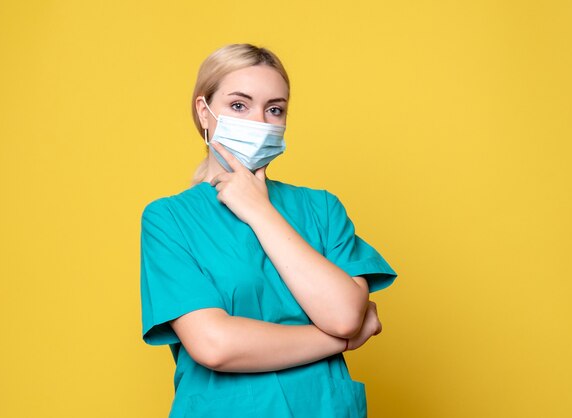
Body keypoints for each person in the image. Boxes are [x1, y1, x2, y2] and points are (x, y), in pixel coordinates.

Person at [140, 43, 397, 418]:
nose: (259, 121)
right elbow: (215, 345)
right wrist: (342, 340)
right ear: (204, 112)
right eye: (239, 105)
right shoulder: (170, 219)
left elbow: (343, 314)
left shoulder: (321, 209)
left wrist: (260, 211)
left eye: (274, 109)